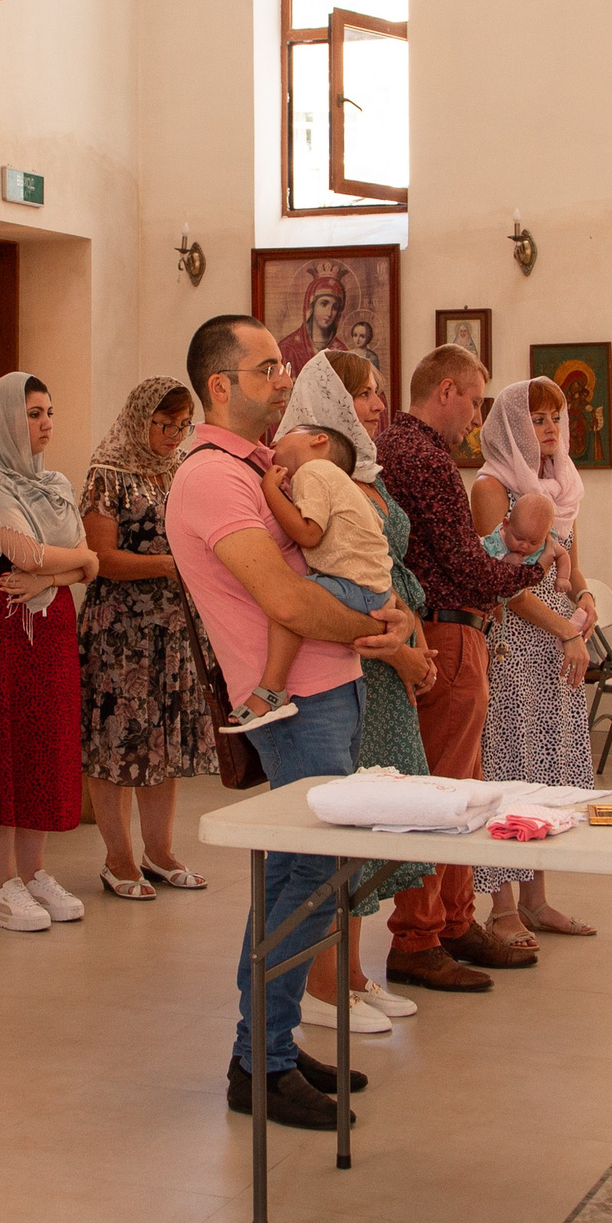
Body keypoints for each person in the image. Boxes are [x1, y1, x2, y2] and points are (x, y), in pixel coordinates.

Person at [168, 315, 413, 1128]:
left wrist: (376, 625)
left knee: (300, 879)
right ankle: (262, 1064)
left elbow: (329, 561)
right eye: (267, 366)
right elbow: (284, 598)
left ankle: (262, 1050)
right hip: (294, 701)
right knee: (302, 880)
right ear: (220, 386)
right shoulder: (211, 476)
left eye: (283, 364)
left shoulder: (264, 464)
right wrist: (379, 632)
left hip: (326, 684)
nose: (284, 378)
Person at [373, 342, 549, 992]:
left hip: (453, 628)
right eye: (474, 399)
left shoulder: (408, 450)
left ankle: (452, 920)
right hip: (446, 630)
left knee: (462, 788)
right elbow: (466, 564)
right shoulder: (422, 455)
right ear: (445, 390)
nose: (476, 415)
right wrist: (537, 566)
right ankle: (418, 935)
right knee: (441, 791)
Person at [277, 349, 440, 1034]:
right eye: (364, 394)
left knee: (380, 822)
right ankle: (323, 983)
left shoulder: (362, 471)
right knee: (350, 827)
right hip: (361, 651)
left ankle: (353, 973)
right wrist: (402, 651)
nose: (377, 405)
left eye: (376, 393)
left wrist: (413, 634)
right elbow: (322, 562)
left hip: (387, 632)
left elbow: (386, 564)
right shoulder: (316, 473)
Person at [0, 371, 98, 933]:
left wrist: (63, 572)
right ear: (3, 421)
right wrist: (76, 567)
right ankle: (0, 884)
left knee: (42, 741)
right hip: (5, 625)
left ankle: (35, 872)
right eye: (32, 414)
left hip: (52, 622)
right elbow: (22, 552)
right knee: (3, 742)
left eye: (48, 412)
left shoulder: (54, 483)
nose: (45, 424)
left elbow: (80, 557)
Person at [469, 379, 601, 946]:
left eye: (556, 417)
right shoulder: (492, 485)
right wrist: (566, 630)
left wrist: (586, 601)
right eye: (536, 418)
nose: (547, 429)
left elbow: (572, 567)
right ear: (511, 426)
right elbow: (499, 583)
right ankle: (501, 908)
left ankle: (537, 900)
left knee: (544, 768)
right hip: (512, 639)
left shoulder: (561, 485)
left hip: (555, 640)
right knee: (508, 764)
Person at [78, 376, 218, 900]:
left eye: (182, 426)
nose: (172, 436)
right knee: (118, 743)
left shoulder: (179, 469)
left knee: (163, 741)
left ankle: (159, 852)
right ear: (140, 419)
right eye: (164, 425)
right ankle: (119, 859)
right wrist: (167, 564)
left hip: (173, 629)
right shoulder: (107, 472)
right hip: (120, 633)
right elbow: (101, 558)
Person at [227, 422, 394, 730]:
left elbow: (308, 533)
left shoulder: (315, 470)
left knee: (289, 605)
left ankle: (270, 690)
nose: (275, 440)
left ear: (319, 440)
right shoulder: (337, 480)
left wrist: (269, 490)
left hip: (357, 587)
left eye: (289, 432)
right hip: (372, 589)